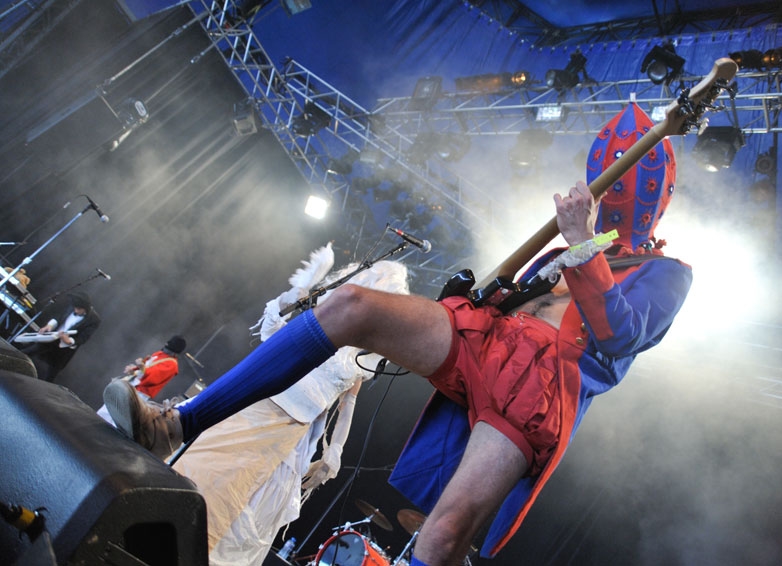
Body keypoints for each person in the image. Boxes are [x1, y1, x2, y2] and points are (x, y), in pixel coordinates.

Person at [105, 103, 692, 565]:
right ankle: (175, 425)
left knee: (440, 541)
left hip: (540, 392)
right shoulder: (572, 244)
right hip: (492, 339)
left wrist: (582, 246)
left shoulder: (669, 273)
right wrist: (486, 291)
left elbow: (620, 337)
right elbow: (520, 301)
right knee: (350, 303)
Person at [170, 246, 409, 565]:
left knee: (241, 505)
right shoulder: (327, 313)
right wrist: (299, 290)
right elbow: (275, 338)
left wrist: (334, 452)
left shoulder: (367, 353)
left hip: (292, 433)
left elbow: (348, 402)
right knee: (205, 475)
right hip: (260, 404)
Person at [96, 335, 186, 425]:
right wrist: (134, 369)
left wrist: (141, 367)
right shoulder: (159, 354)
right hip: (131, 385)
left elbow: (153, 377)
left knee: (120, 414)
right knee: (110, 407)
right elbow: (144, 368)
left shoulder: (172, 365)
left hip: (140, 392)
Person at [18, 290, 101, 382]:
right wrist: (49, 326)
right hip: (52, 338)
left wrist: (69, 340)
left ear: (86, 308)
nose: (76, 310)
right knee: (27, 351)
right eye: (75, 308)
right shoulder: (71, 307)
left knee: (50, 374)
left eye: (79, 309)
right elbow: (59, 317)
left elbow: (83, 338)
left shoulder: (94, 320)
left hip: (64, 349)